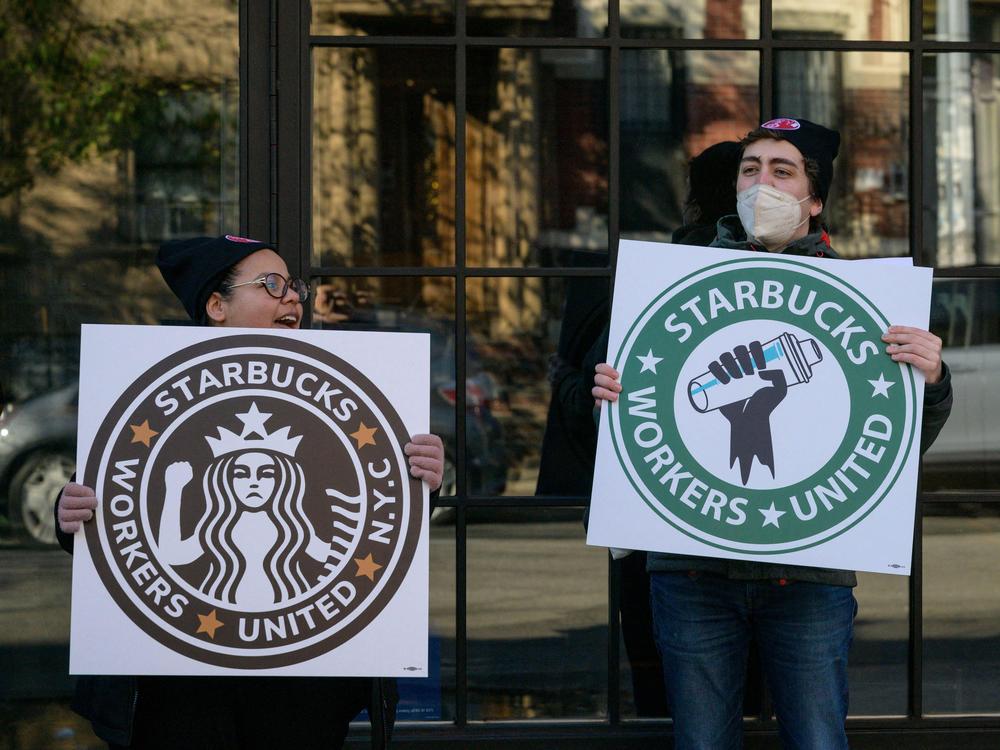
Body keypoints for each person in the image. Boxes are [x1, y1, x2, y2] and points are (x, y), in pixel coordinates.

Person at [592, 118, 954, 749]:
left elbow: (895, 447)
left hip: (809, 578)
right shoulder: (671, 286)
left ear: (815, 199)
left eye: (782, 171)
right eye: (750, 169)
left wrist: (933, 379)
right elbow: (629, 427)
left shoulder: (868, 300)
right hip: (692, 573)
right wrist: (609, 400)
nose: (762, 184)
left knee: (817, 740)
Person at [55, 234, 444, 750]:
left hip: (304, 678)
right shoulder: (147, 380)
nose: (294, 299)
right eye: (273, 285)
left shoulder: (344, 384)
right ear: (217, 305)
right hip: (179, 678)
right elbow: (119, 510)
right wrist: (72, 512)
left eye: (295, 287)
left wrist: (419, 479)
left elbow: (374, 527)